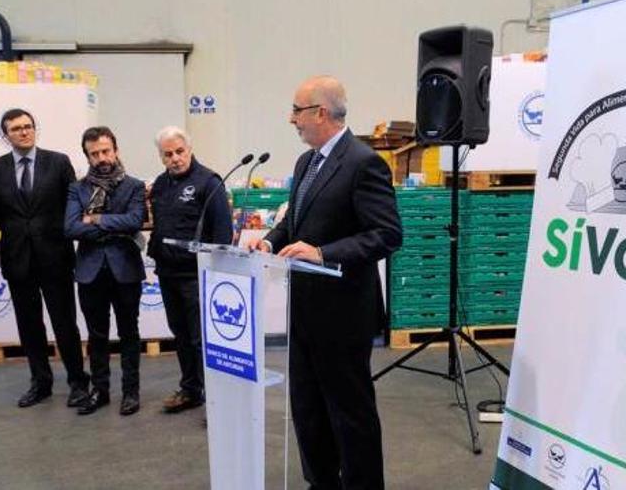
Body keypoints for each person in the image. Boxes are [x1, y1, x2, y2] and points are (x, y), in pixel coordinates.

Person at [247, 76, 402, 489]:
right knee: (308, 410)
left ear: (320, 112)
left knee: (349, 414)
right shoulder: (307, 162)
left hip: (343, 315)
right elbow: (296, 222)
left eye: (296, 110)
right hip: (305, 312)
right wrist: (269, 240)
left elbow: (386, 234)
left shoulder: (363, 162)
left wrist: (322, 253)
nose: (290, 119)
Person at [0, 108, 89, 408]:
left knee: (65, 323)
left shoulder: (58, 162)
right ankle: (40, 382)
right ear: (6, 135)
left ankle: (78, 382)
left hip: (55, 256)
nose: (24, 132)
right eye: (16, 128)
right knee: (29, 326)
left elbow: (73, 206)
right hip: (18, 259)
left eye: (28, 126)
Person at [147, 126, 232, 413]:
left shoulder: (209, 183)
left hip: (198, 276)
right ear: (161, 157)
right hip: (168, 274)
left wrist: (217, 273)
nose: (175, 158)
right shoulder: (159, 185)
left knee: (201, 340)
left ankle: (217, 401)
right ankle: (190, 390)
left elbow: (223, 234)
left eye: (179, 151)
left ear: (190, 149)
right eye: (168, 154)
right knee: (181, 336)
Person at [64, 126, 146, 416]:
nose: (101, 158)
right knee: (96, 335)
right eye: (94, 153)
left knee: (129, 333)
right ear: (87, 155)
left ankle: (131, 392)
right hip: (89, 271)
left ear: (116, 150)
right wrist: (113, 225)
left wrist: (95, 219)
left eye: (105, 151)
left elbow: (136, 220)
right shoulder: (77, 188)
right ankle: (100, 391)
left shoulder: (134, 186)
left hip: (125, 269)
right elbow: (70, 227)